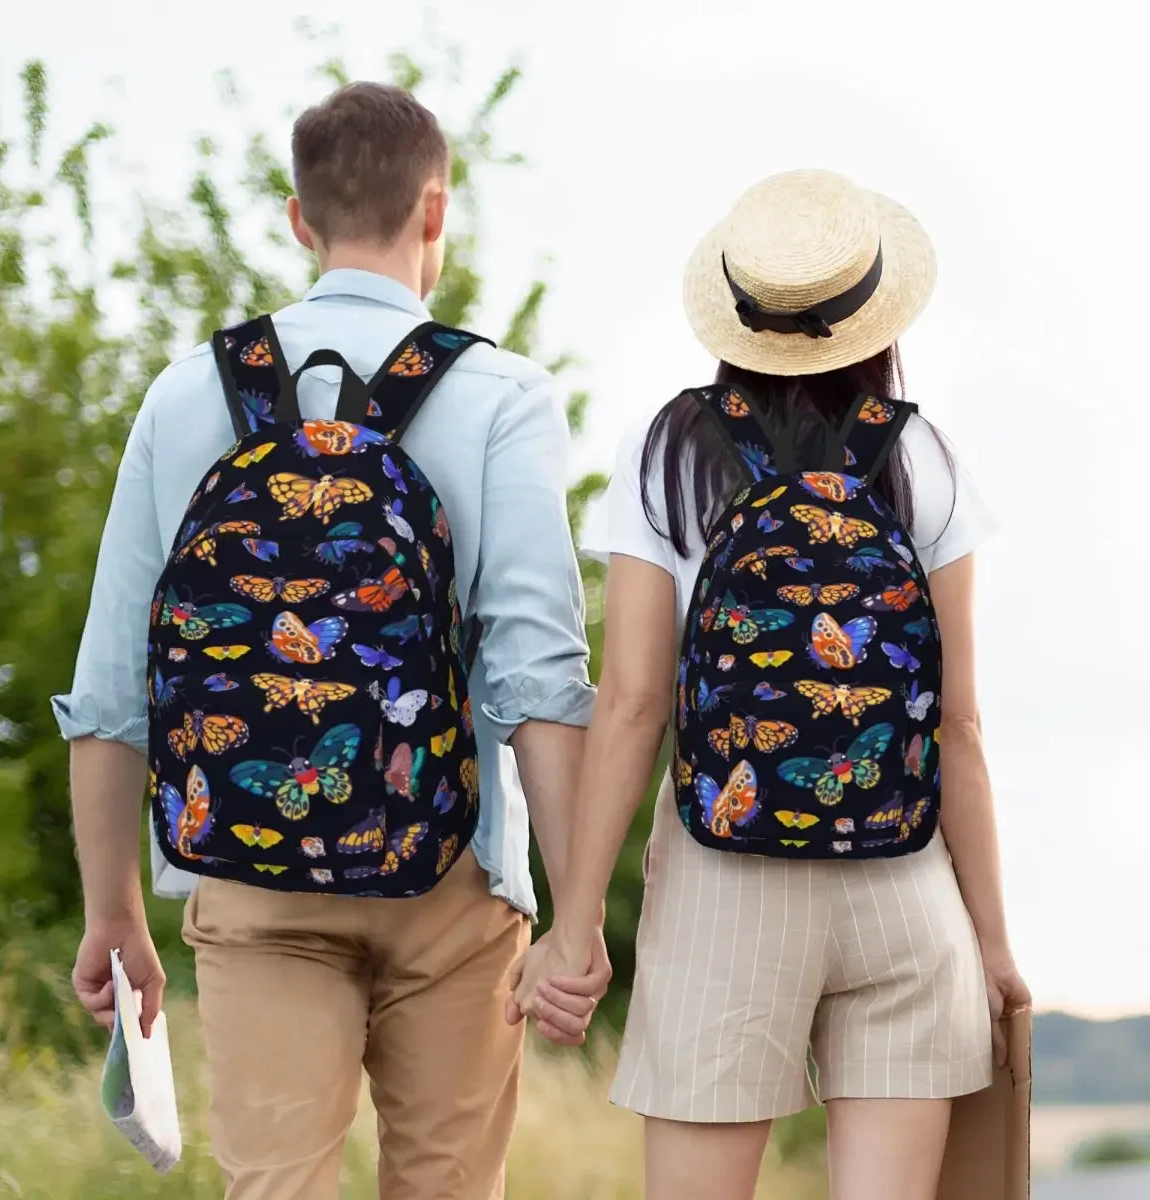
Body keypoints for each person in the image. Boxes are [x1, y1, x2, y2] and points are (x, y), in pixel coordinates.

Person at [55, 81, 610, 1200]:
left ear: (299, 219)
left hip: (247, 870)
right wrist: (576, 914)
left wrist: (112, 910)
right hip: (452, 871)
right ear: (436, 212)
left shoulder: (186, 395)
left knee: (275, 1186)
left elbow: (115, 683)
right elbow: (537, 676)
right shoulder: (500, 393)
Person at [511, 169, 1031, 1200]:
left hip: (724, 883)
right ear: (875, 316)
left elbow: (631, 704)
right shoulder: (924, 456)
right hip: (905, 885)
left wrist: (573, 926)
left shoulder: (670, 451)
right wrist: (994, 944)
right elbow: (960, 726)